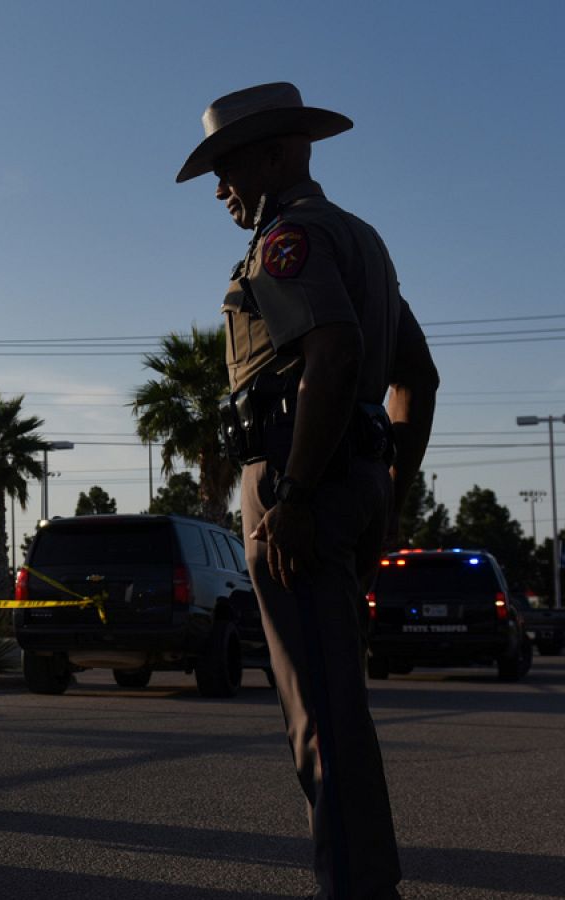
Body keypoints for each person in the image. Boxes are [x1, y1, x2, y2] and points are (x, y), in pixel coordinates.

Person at [177, 83, 439, 899]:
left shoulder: (286, 241)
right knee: (333, 703)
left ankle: (356, 887)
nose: (221, 188)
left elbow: (330, 350)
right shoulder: (361, 239)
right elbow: (418, 380)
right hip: (349, 479)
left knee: (321, 717)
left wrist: (293, 491)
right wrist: (389, 487)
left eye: (227, 167)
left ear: (278, 152)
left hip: (300, 480)